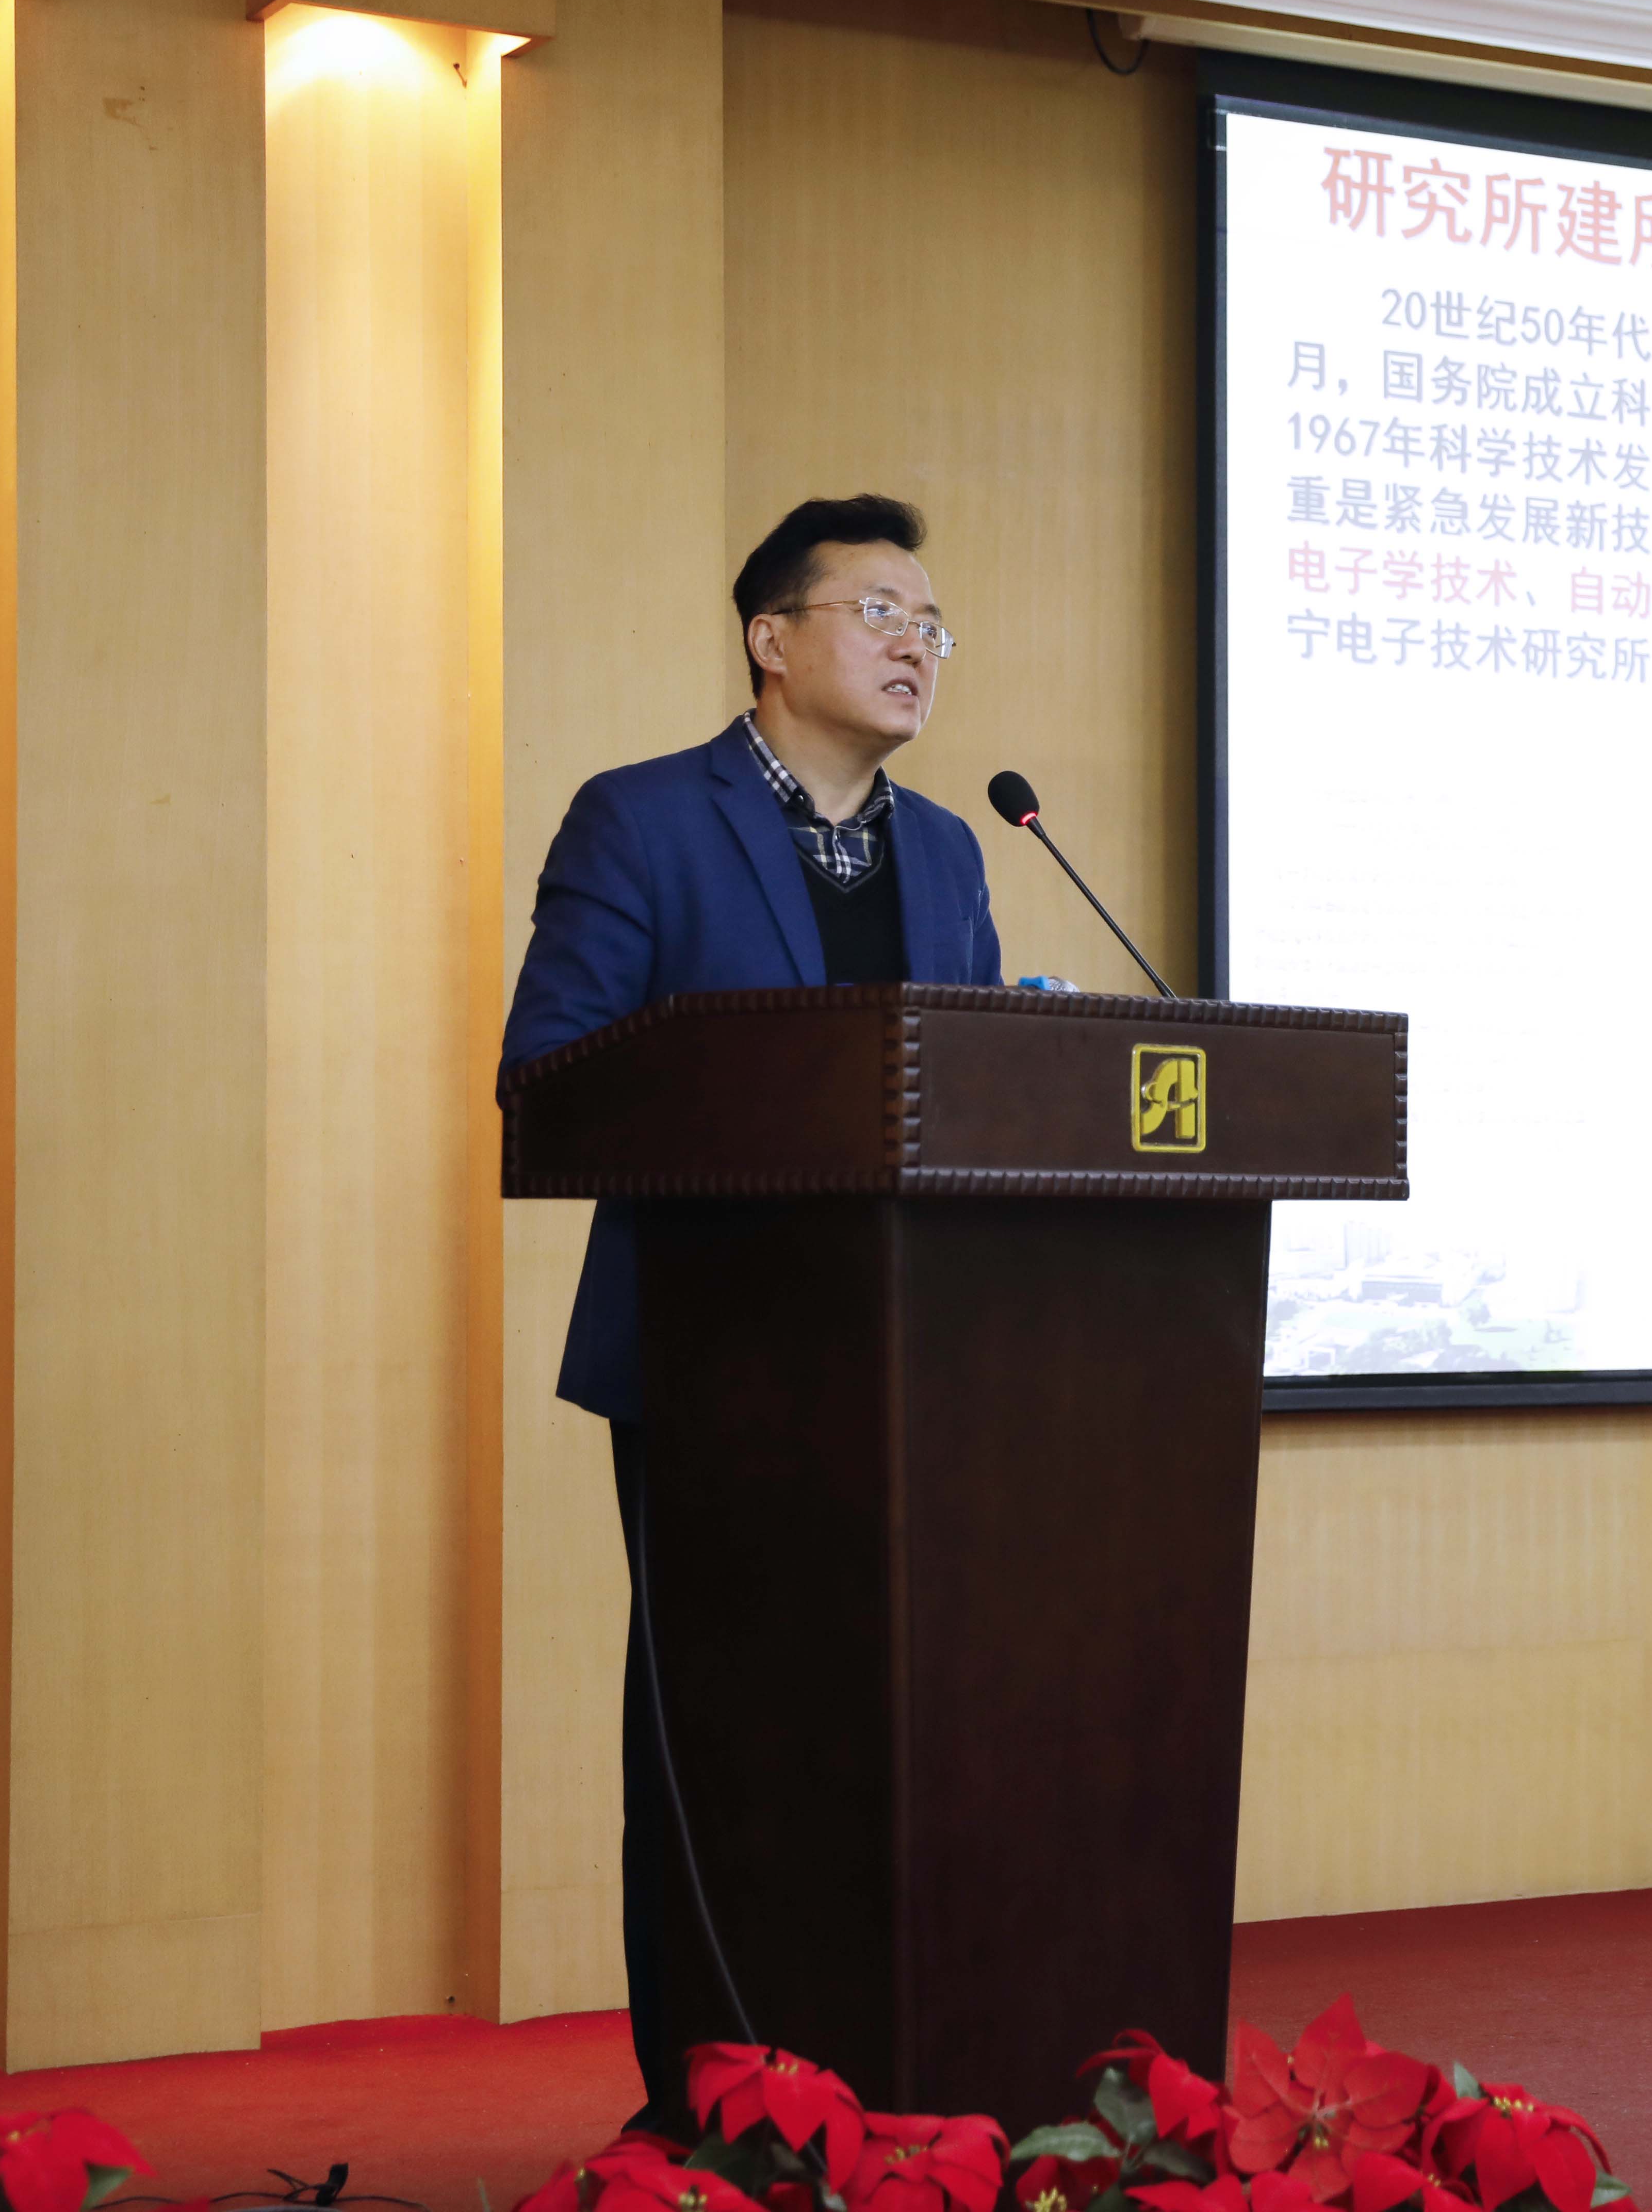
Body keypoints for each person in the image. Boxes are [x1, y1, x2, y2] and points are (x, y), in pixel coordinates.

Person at [497, 493, 1001, 2129]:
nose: (917, 644)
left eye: (932, 622)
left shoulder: (951, 849)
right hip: (713, 1358)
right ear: (771, 640)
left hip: (912, 1365)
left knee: (892, 1734)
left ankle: (886, 2078)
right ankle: (707, 2093)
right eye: (881, 612)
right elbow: (548, 1084)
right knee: (714, 1740)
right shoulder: (643, 821)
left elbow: (975, 1098)